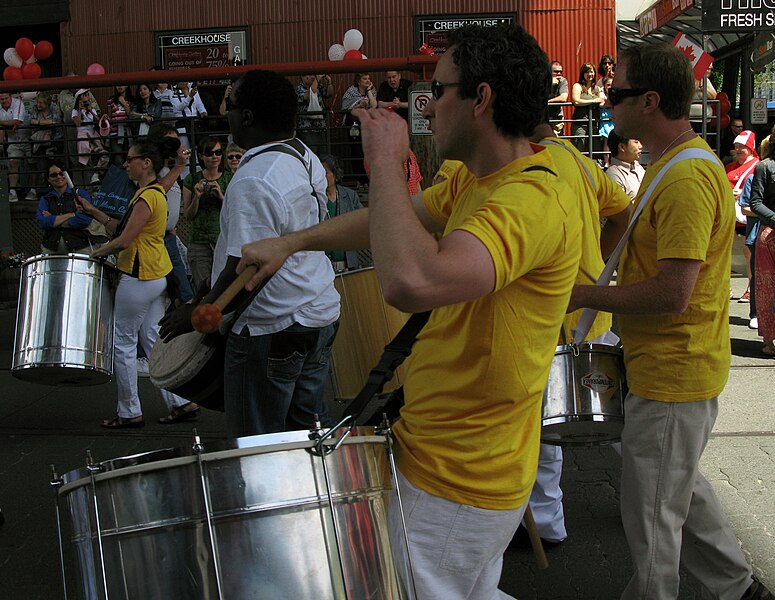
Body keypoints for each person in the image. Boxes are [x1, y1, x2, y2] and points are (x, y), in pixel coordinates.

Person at [234, 24, 582, 599]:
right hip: (443, 457)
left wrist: (387, 162)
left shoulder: (532, 199)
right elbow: (397, 221)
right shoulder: (477, 177)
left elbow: (411, 280)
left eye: (438, 89)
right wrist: (291, 242)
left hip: (462, 477)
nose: (423, 104)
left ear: (481, 98)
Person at [569, 42, 771, 600]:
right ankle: (736, 587)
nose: (607, 101)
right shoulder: (676, 164)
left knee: (652, 523)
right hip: (669, 369)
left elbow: (673, 293)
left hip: (673, 373)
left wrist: (582, 293)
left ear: (650, 102)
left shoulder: (683, 177)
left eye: (617, 93)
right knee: (678, 492)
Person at [160, 69, 340, 440]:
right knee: (308, 441)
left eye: (230, 104)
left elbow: (249, 270)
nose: (224, 111)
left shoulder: (254, 179)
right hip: (317, 314)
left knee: (259, 445)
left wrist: (197, 315)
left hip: (270, 328)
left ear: (247, 117)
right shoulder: (302, 154)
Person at [521, 115, 631, 548]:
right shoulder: (582, 161)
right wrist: (597, 274)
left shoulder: (531, 163)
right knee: (621, 422)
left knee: (547, 429)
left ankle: (548, 526)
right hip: (592, 315)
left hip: (552, 318)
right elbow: (621, 219)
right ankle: (656, 506)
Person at [79, 137, 199, 427]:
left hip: (139, 277)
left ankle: (129, 411)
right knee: (152, 342)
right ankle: (180, 402)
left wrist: (95, 253)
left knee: (122, 343)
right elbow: (168, 180)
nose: (125, 165)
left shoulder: (146, 196)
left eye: (130, 159)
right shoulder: (156, 190)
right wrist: (179, 165)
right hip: (155, 276)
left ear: (145, 163)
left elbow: (124, 239)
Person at [180, 136, 233, 293]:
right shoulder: (192, 179)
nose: (214, 157)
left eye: (218, 152)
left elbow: (234, 212)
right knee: (202, 288)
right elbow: (188, 216)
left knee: (223, 288)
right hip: (199, 242)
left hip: (222, 240)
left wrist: (221, 197)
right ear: (201, 156)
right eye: (210, 153)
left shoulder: (229, 178)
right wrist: (197, 197)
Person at [727, 130, 760, 303]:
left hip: (747, 217)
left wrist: (742, 194)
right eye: (736, 147)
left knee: (750, 256)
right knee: (725, 254)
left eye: (743, 147)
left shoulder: (757, 166)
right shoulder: (730, 166)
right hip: (729, 216)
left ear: (751, 148)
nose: (739, 150)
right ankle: (726, 288)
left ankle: (750, 289)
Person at [750, 132, 775, 357]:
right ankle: (769, 338)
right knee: (768, 289)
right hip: (770, 235)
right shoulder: (764, 167)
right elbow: (755, 202)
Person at [36, 160, 94, 254]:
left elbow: (84, 219)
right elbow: (42, 222)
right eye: (54, 175)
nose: (58, 176)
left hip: (79, 246)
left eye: (61, 173)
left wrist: (54, 219)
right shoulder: (46, 199)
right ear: (48, 179)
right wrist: (71, 215)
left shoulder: (81, 194)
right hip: (51, 248)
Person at [320, 153, 363, 271]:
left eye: (325, 173)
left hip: (347, 262)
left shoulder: (349, 195)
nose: (321, 177)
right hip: (323, 264)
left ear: (335, 174)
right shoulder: (316, 198)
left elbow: (361, 222)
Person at [341, 73, 378, 182]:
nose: (368, 81)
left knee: (370, 152)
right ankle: (359, 180)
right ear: (358, 81)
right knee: (357, 152)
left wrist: (369, 91)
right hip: (354, 126)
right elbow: (345, 109)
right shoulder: (350, 92)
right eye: (365, 79)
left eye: (369, 78)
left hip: (369, 126)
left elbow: (374, 105)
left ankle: (369, 179)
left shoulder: (372, 90)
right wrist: (359, 105)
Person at [27, 91, 62, 200]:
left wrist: (38, 122)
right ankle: (34, 191)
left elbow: (55, 121)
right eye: (37, 102)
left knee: (52, 165)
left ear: (47, 103)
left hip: (54, 140)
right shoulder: (34, 108)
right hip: (37, 141)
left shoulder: (54, 107)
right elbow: (29, 120)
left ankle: (54, 190)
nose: (38, 105)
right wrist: (43, 123)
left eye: (41, 103)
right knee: (35, 164)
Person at [71, 88, 109, 186]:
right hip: (83, 137)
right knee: (87, 161)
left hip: (93, 136)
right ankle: (89, 186)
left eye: (87, 94)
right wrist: (80, 109)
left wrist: (91, 110)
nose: (87, 96)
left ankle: (96, 174)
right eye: (84, 95)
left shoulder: (91, 109)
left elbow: (98, 122)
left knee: (104, 155)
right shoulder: (75, 110)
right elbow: (78, 124)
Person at [571, 63, 605, 154]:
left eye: (591, 72)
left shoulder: (597, 89)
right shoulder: (578, 86)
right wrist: (593, 101)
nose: (590, 74)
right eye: (587, 72)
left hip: (594, 123)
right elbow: (576, 101)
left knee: (594, 150)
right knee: (579, 149)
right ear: (582, 74)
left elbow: (601, 102)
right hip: (580, 123)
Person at [0, 92, 28, 203]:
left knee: (32, 164)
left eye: (6, 98)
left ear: (10, 97)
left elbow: (17, 121)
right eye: (1, 99)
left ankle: (33, 190)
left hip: (28, 137)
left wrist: (2, 123)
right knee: (13, 163)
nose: (4, 101)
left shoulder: (18, 103)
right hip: (13, 139)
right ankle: (12, 192)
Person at [296, 74, 332, 154]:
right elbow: (309, 95)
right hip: (307, 128)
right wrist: (317, 80)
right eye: (310, 75)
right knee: (311, 153)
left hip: (321, 127)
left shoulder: (318, 87)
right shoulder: (299, 89)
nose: (313, 77)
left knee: (323, 155)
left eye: (314, 75)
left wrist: (329, 82)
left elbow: (328, 94)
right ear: (303, 77)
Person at [605, 129, 645, 201]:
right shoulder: (613, 176)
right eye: (636, 142)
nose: (641, 146)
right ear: (622, 147)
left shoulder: (638, 167)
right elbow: (619, 209)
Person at [106, 85, 135, 166]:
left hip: (127, 132)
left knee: (128, 158)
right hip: (115, 132)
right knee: (118, 158)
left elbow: (131, 115)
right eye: (117, 85)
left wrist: (124, 103)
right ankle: (121, 177)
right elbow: (110, 116)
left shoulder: (131, 99)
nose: (119, 86)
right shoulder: (111, 100)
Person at [548, 61, 569, 136]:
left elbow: (563, 98)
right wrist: (551, 84)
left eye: (560, 71)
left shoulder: (562, 81)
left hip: (557, 117)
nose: (559, 74)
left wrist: (548, 101)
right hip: (544, 117)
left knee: (557, 141)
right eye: (556, 71)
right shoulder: (543, 80)